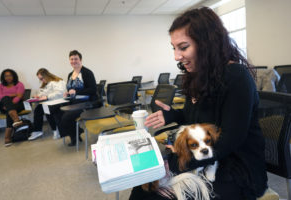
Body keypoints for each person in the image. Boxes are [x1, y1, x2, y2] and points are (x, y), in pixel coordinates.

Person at [129, 7, 267, 200]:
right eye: (174, 48)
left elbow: (230, 140)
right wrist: (172, 115)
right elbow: (193, 117)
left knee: (153, 194)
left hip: (236, 167)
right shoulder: (198, 76)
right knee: (143, 185)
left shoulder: (236, 77)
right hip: (206, 157)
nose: (176, 56)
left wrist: (177, 164)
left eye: (183, 47)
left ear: (207, 44)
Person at [59, 50, 98, 146]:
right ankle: (75, 133)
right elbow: (72, 90)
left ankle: (75, 136)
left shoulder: (87, 73)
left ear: (80, 60)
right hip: (74, 102)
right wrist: (68, 93)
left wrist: (76, 92)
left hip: (87, 103)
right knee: (57, 112)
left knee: (66, 117)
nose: (73, 61)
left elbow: (93, 89)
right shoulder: (70, 74)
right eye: (71, 59)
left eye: (76, 59)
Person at [28, 68, 66, 141]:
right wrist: (38, 96)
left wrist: (47, 96)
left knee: (47, 109)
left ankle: (55, 130)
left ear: (46, 75)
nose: (41, 80)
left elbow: (60, 93)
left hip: (59, 102)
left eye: (42, 78)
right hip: (49, 102)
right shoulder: (46, 83)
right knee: (37, 110)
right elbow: (44, 92)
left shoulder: (57, 81)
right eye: (40, 79)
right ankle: (37, 130)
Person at [0, 69, 25, 146]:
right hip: (3, 105)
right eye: (6, 76)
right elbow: (0, 96)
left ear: (14, 76)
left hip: (18, 104)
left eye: (10, 75)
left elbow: (19, 96)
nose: (8, 77)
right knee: (6, 99)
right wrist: (12, 95)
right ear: (3, 77)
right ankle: (16, 119)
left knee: (10, 110)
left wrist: (9, 105)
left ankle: (7, 137)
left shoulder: (19, 84)